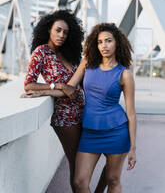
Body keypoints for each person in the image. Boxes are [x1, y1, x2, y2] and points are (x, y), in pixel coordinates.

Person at [21, 10, 107, 193]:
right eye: (57, 30)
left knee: (104, 156)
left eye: (65, 32)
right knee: (77, 165)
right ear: (49, 30)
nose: (61, 35)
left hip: (84, 112)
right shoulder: (41, 52)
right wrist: (58, 85)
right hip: (65, 117)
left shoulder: (69, 53)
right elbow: (28, 84)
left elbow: (80, 82)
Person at [55, 22, 137, 193]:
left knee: (113, 179)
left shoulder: (125, 74)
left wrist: (133, 148)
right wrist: (40, 90)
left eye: (108, 41)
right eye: (100, 42)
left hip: (117, 131)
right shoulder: (87, 64)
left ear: (117, 43)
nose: (104, 46)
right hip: (90, 131)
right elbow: (68, 88)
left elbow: (131, 112)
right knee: (79, 182)